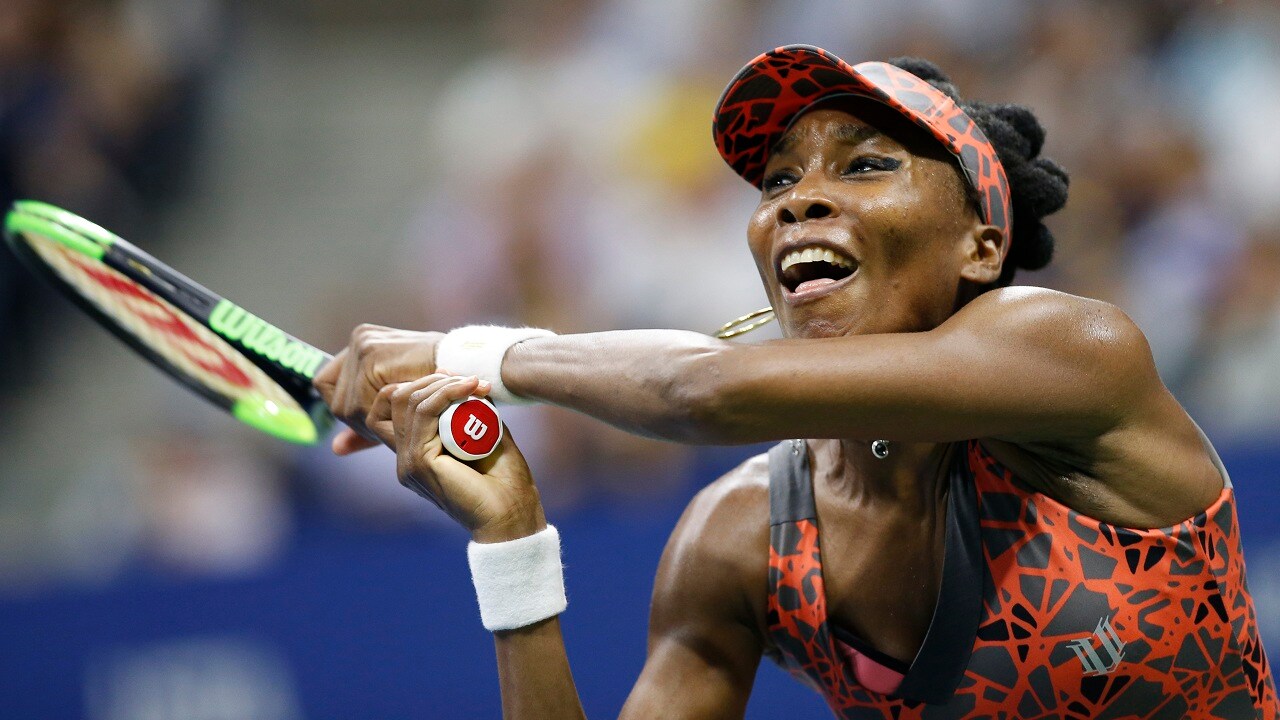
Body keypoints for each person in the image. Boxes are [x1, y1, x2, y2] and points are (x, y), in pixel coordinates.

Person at [315, 46, 1278, 719]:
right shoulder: (741, 542)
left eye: (866, 165)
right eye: (777, 182)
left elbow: (706, 392)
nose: (802, 198)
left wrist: (472, 355)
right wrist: (510, 542)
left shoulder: (1075, 350)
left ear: (983, 246)